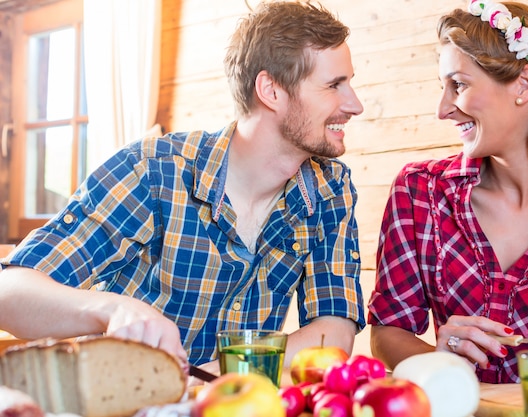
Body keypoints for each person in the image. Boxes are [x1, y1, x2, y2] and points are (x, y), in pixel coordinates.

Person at [0, 0, 365, 377]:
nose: (355, 104)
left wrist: (211, 379)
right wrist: (110, 308)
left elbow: (333, 333)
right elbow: (8, 293)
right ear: (270, 91)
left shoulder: (330, 189)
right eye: (334, 85)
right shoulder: (154, 170)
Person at [368, 0, 528, 389]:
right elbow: (387, 332)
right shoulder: (420, 192)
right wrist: (441, 362)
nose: (443, 109)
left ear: (524, 85)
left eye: (459, 84)